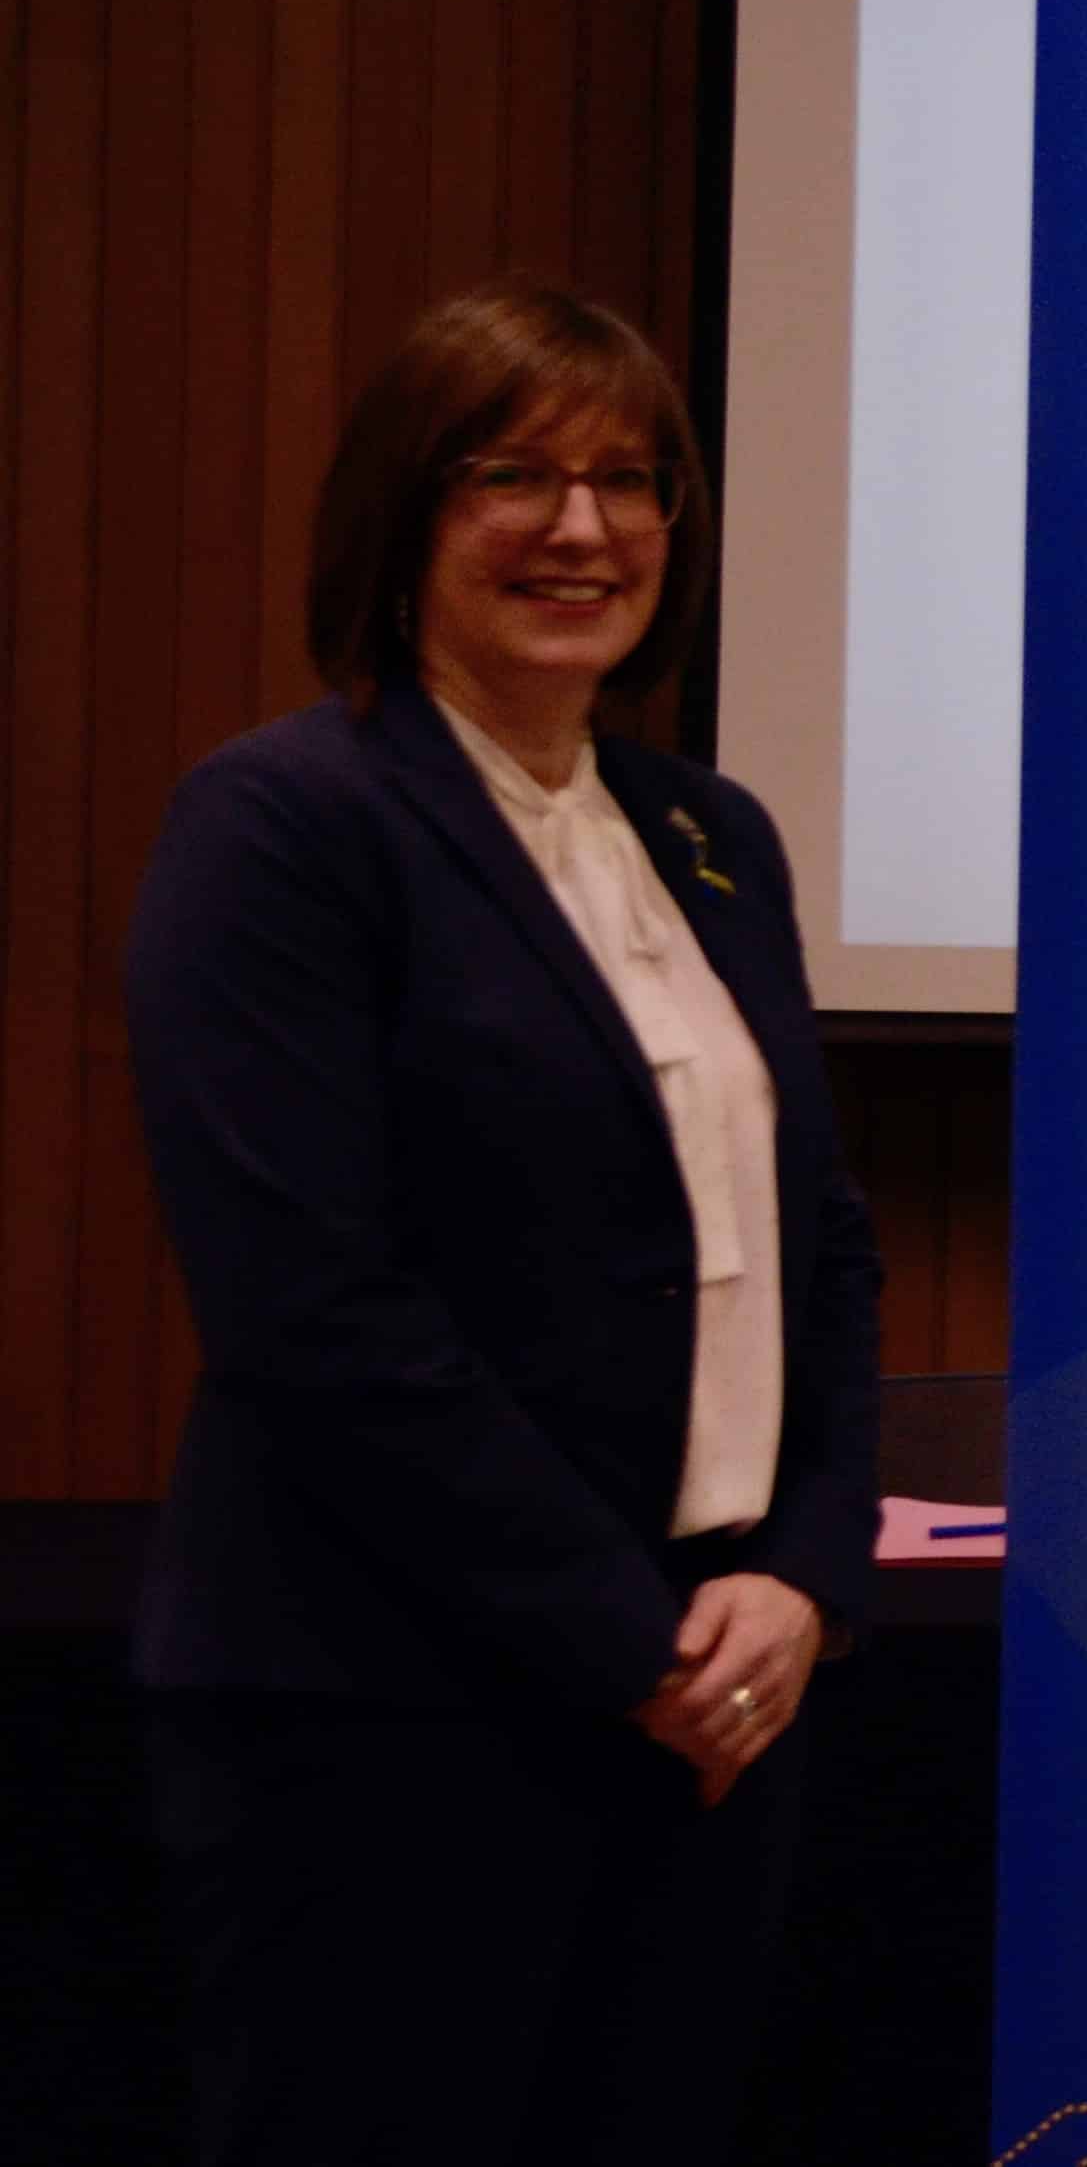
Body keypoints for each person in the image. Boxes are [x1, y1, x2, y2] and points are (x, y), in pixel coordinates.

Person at [125, 281, 885, 2167]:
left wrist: (802, 1573)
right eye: (515, 476)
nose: (583, 528)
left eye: (631, 482)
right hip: (393, 1712)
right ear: (405, 514)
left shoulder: (713, 834)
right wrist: (631, 1643)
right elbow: (315, 1309)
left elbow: (822, 1245)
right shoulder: (283, 824)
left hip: (713, 1702)